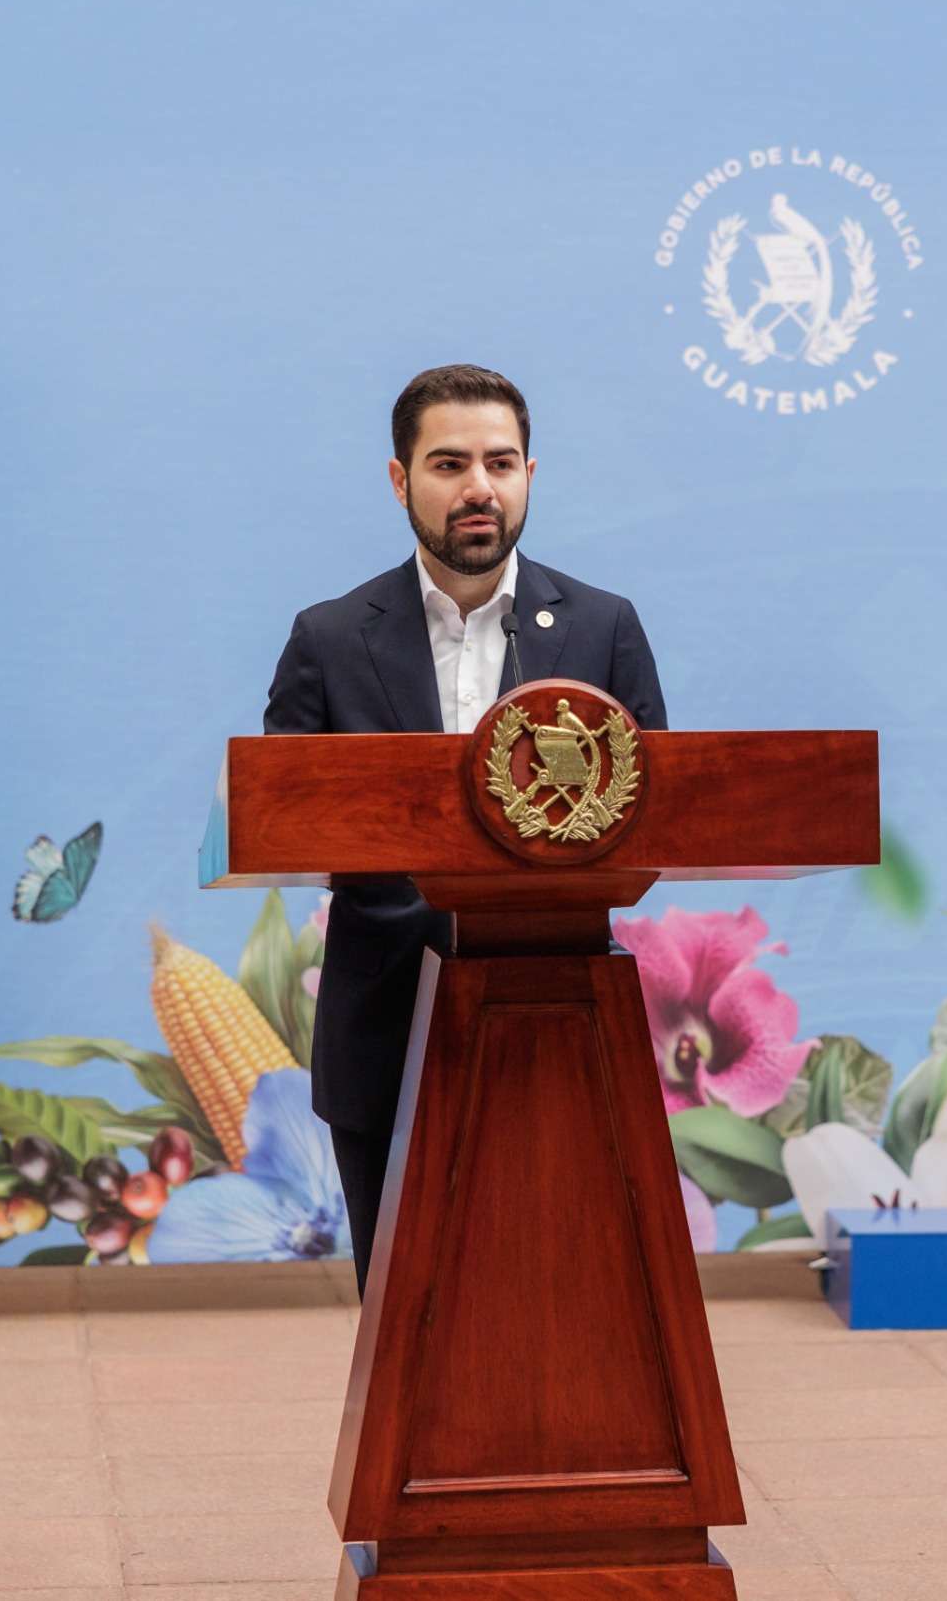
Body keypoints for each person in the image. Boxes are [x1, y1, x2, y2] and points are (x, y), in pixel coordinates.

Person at [263, 364, 666, 1295]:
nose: (479, 487)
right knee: (405, 1293)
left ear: (530, 474)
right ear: (401, 481)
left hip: (555, 1006)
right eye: (449, 463)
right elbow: (286, 811)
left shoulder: (602, 628)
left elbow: (658, 805)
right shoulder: (328, 636)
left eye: (501, 462)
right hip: (383, 1014)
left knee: (560, 1282)